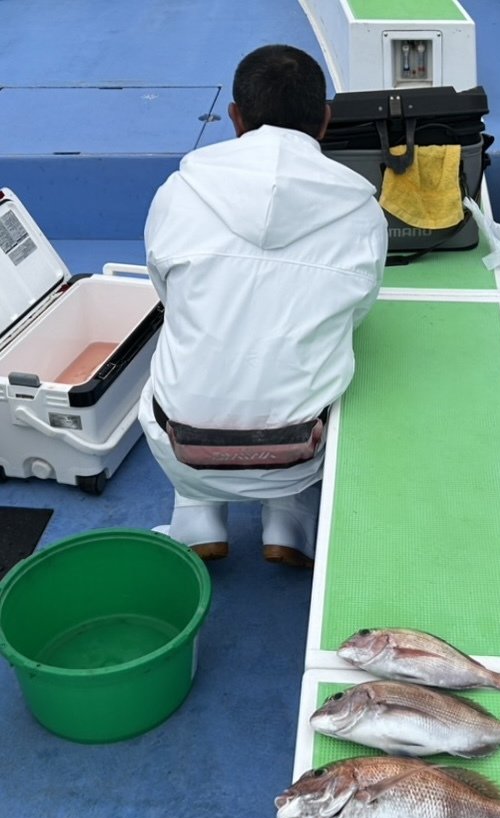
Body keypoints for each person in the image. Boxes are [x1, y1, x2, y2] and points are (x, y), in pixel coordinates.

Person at [138, 44, 388, 567]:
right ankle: (289, 522)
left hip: (183, 446)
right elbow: (358, 313)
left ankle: (197, 521)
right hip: (299, 451)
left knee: (189, 346)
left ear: (235, 117)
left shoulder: (178, 192)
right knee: (324, 352)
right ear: (325, 120)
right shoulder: (362, 212)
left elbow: (169, 295)